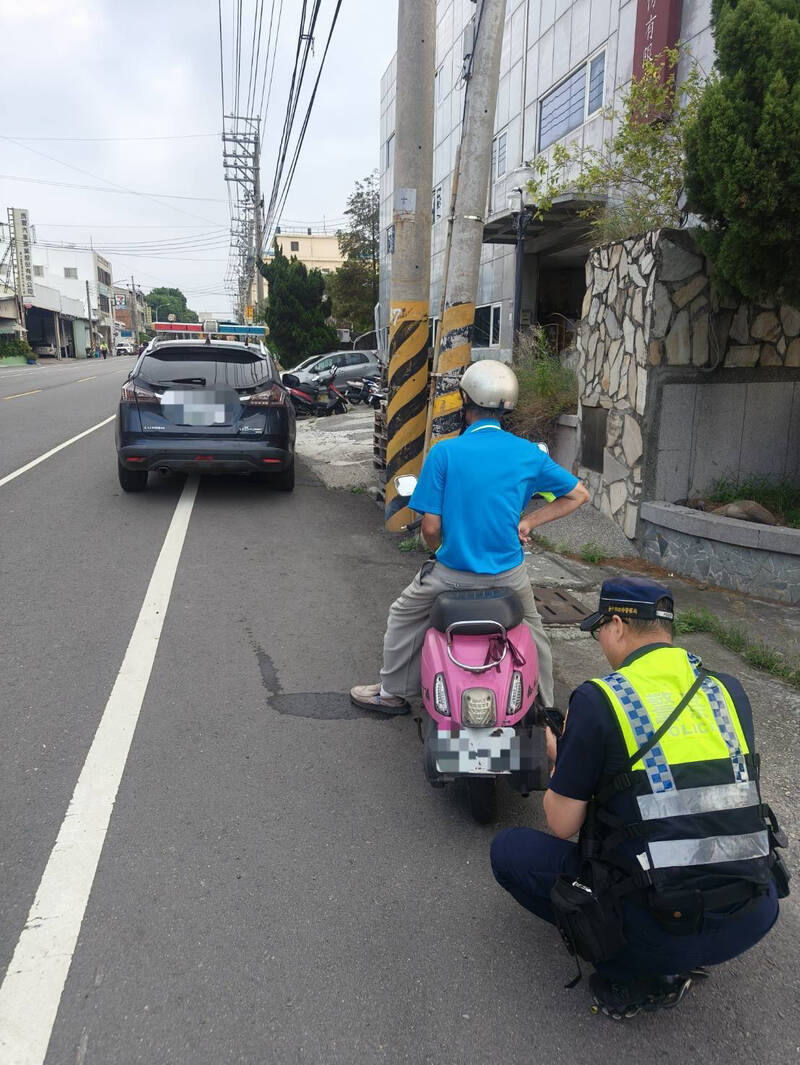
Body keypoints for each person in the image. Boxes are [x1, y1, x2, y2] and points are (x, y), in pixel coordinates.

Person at [491, 577, 786, 1017]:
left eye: (598, 631)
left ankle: (637, 970)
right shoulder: (728, 689)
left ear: (616, 625)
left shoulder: (600, 699)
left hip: (660, 926)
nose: (600, 643)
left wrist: (564, 754)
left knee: (509, 851)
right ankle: (682, 951)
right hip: (753, 914)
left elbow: (562, 823)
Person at [350, 360, 590, 715]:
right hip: (509, 575)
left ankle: (391, 693)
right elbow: (579, 495)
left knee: (403, 615)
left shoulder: (445, 453)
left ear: (466, 401)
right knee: (534, 630)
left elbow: (431, 529)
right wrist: (529, 522)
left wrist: (440, 552)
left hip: (452, 574)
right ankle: (544, 706)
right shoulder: (528, 453)